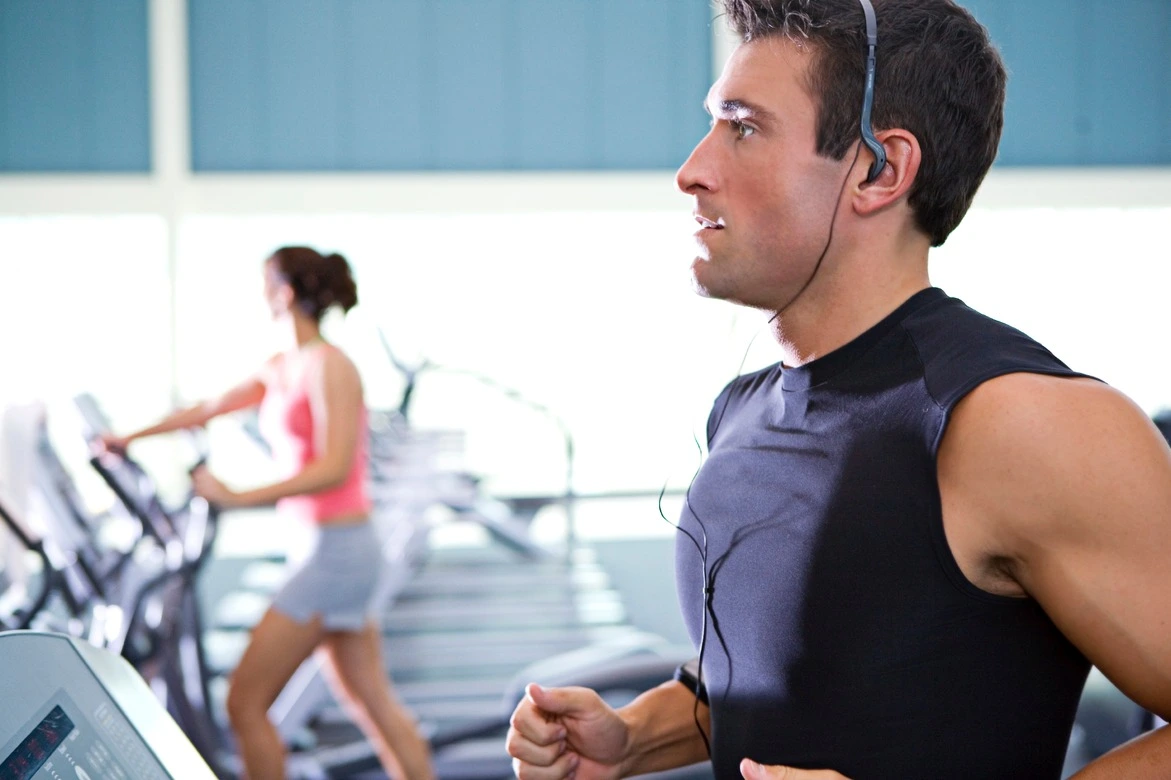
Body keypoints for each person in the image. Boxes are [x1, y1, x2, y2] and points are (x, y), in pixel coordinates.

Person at [506, 1, 1171, 778]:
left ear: (879, 170)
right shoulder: (744, 408)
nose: (691, 170)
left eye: (742, 126)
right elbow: (784, 682)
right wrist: (633, 738)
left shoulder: (1017, 419)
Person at [100, 247, 434, 780]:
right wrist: (127, 437)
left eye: (264, 284)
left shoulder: (332, 366)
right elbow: (208, 408)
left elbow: (333, 467)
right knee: (370, 703)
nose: (259, 294)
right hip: (322, 547)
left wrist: (235, 495)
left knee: (244, 702)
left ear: (283, 292)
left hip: (336, 551)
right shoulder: (283, 367)